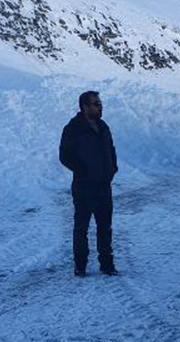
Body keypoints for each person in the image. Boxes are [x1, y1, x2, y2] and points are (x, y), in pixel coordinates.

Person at [59, 91, 119, 277]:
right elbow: (64, 156)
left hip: (103, 186)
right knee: (81, 228)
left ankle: (107, 265)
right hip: (84, 187)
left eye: (100, 103)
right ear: (85, 106)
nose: (100, 106)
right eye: (96, 103)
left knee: (105, 227)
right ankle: (80, 266)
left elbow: (111, 149)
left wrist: (112, 168)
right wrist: (83, 170)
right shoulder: (73, 128)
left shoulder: (103, 127)